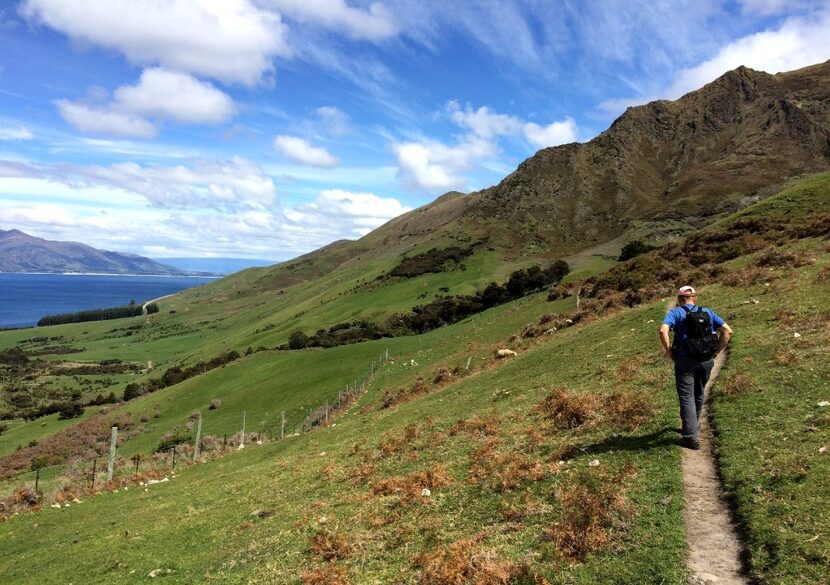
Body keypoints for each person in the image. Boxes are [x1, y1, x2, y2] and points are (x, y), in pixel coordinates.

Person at [659, 285, 733, 450]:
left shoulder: (675, 313)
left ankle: (690, 437)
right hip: (706, 360)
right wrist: (716, 353)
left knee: (686, 396)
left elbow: (663, 331)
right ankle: (692, 426)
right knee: (699, 393)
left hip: (685, 361)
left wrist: (670, 352)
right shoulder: (707, 312)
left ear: (679, 300)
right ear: (695, 298)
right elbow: (728, 332)